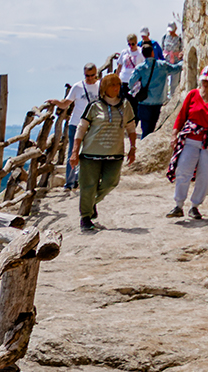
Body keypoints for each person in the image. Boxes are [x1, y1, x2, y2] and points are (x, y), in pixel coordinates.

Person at [166, 66, 208, 219]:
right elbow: (181, 116)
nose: (205, 83)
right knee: (183, 169)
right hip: (192, 139)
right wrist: (174, 134)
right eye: (203, 80)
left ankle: (195, 206)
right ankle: (178, 205)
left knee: (207, 175)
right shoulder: (192, 95)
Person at [71, 71, 134, 231]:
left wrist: (133, 148)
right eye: (112, 85)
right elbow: (82, 128)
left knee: (110, 182)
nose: (116, 88)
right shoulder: (94, 106)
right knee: (88, 186)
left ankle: (90, 204)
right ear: (104, 88)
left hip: (115, 153)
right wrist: (75, 151)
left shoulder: (125, 105)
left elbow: (131, 128)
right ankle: (85, 217)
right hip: (91, 153)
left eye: (118, 84)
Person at [61, 64, 102, 189]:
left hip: (93, 124)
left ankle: (85, 179)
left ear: (96, 74)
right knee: (73, 153)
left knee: (91, 153)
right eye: (87, 76)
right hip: (76, 123)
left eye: (92, 75)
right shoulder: (77, 87)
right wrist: (56, 102)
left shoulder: (101, 86)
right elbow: (66, 103)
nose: (89, 78)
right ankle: (70, 182)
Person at [130, 41, 173, 144]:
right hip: (157, 102)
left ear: (143, 54)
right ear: (153, 53)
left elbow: (131, 83)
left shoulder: (140, 68)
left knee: (145, 128)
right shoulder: (162, 65)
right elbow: (176, 68)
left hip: (144, 102)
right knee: (152, 128)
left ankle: (142, 149)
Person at [161, 22, 184, 96]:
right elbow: (162, 48)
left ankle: (172, 96)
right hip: (166, 61)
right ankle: (164, 96)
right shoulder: (165, 37)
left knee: (174, 81)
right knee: (164, 80)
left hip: (176, 61)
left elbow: (182, 49)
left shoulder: (179, 39)